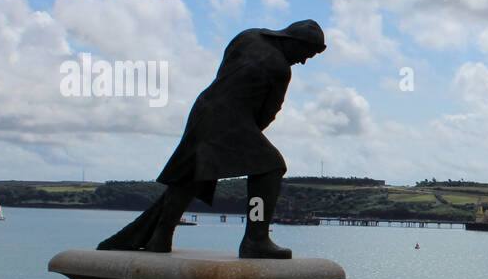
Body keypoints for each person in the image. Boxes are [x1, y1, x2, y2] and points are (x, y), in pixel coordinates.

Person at [97, 19, 326, 259]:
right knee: (270, 166)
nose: (302, 61)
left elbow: (224, 72)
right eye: (305, 54)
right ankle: (256, 238)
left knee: (190, 174)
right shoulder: (279, 68)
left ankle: (160, 237)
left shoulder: (248, 36)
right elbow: (268, 112)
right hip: (231, 119)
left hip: (204, 107)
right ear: (294, 41)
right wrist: (246, 132)